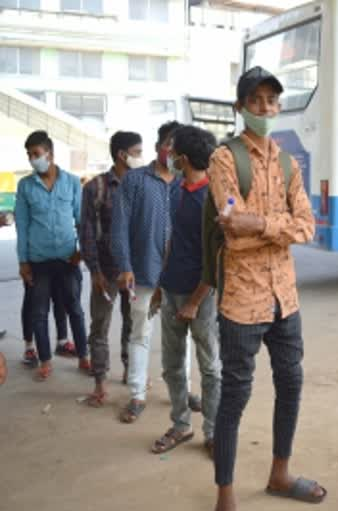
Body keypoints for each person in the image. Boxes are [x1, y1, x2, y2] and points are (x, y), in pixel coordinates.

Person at [208, 66, 325, 510]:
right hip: (241, 299)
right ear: (240, 108)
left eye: (272, 101)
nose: (266, 108)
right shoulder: (225, 159)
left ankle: (279, 473)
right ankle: (225, 494)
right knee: (235, 395)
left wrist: (259, 222)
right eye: (256, 100)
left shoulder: (289, 162)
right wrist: (276, 226)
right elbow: (231, 229)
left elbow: (307, 227)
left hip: (285, 298)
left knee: (290, 384)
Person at [151, 125, 221, 457]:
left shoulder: (215, 198)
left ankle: (213, 430)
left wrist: (195, 301)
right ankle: (181, 424)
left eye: (173, 151)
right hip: (171, 289)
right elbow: (173, 241)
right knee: (172, 364)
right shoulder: (177, 190)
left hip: (201, 297)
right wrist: (159, 285)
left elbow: (217, 258)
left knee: (209, 366)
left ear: (183, 157)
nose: (169, 156)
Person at [111, 121, 181, 423]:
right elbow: (119, 226)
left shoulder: (185, 183)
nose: (173, 152)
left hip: (180, 275)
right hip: (143, 271)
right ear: (157, 147)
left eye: (179, 148)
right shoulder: (135, 181)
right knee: (140, 333)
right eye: (169, 144)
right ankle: (137, 394)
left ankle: (181, 392)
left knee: (181, 336)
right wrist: (125, 266)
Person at [15, 130, 90, 381]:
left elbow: (82, 221)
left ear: (50, 154)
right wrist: (23, 261)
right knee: (39, 312)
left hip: (68, 258)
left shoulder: (70, 182)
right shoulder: (25, 186)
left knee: (75, 309)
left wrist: (82, 251)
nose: (33, 159)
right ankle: (45, 361)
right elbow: (22, 226)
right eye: (29, 155)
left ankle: (83, 357)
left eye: (36, 154)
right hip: (38, 260)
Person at [80, 131, 143, 407]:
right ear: (122, 154)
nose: (141, 157)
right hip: (105, 272)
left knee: (133, 326)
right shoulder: (96, 188)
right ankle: (100, 382)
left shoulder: (142, 185)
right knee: (100, 327)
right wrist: (94, 271)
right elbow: (87, 233)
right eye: (137, 152)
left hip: (133, 272)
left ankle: (131, 371)